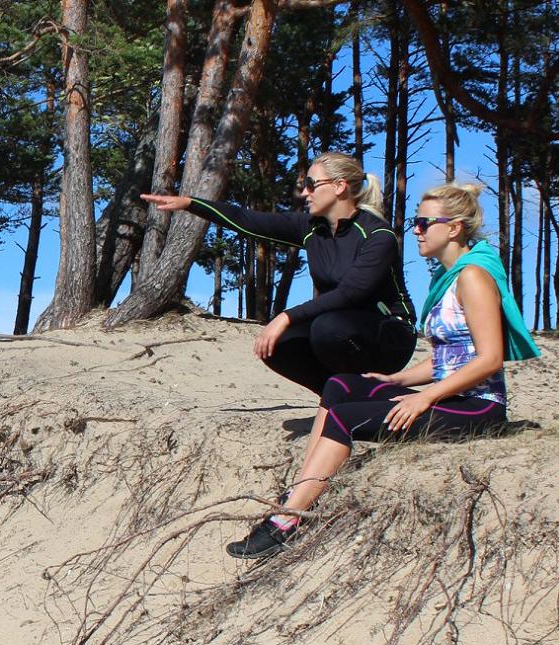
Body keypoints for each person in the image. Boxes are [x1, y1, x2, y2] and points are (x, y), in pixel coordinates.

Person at [226, 183, 541, 559]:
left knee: (345, 418)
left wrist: (424, 398)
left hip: (478, 409)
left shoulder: (473, 277)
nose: (416, 230)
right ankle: (301, 487)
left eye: (424, 223)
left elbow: (489, 359)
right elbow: (450, 357)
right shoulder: (452, 278)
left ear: (454, 228)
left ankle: (289, 519)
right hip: (451, 394)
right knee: (341, 386)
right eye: (415, 222)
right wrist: (398, 381)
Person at [140, 152, 416, 395]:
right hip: (342, 327)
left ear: (339, 187)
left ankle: (362, 392)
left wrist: (285, 316)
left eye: (311, 184)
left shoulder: (378, 235)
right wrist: (190, 203)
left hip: (390, 335)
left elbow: (350, 293)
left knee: (326, 329)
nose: (305, 193)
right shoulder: (311, 228)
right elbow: (248, 221)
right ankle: (340, 395)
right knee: (280, 344)